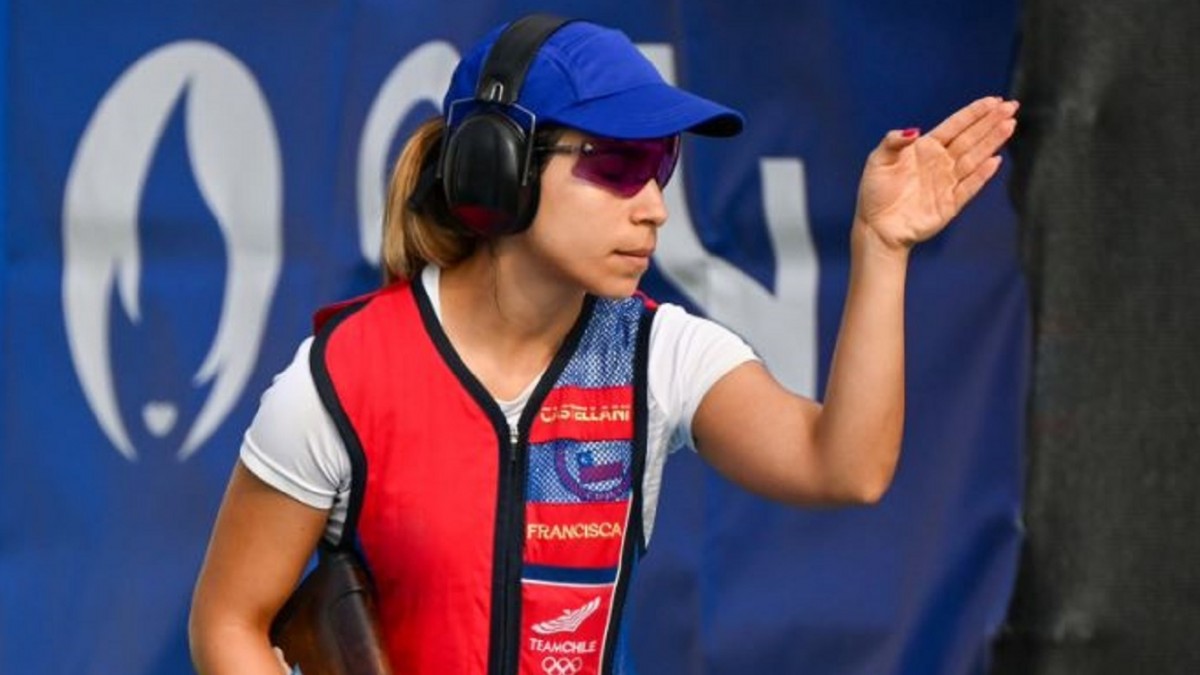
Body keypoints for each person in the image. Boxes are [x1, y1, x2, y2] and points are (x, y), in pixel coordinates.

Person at [188, 14, 1018, 675]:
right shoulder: (341, 381)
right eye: (618, 164)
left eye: (660, 165)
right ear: (496, 167)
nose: (654, 205)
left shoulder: (660, 355)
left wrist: (883, 247)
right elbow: (227, 621)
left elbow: (845, 466)